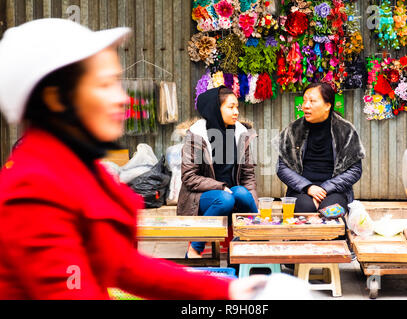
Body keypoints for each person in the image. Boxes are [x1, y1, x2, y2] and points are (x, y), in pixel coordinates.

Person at [0, 18, 267, 300]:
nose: (123, 99)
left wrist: (234, 291)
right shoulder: (34, 190)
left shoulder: (81, 170)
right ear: (56, 99)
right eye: (104, 84)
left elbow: (125, 266)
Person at [177, 86, 258, 258]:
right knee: (224, 199)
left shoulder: (241, 134)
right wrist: (220, 187)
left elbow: (248, 175)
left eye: (237, 107)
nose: (236, 112)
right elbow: (189, 177)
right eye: (230, 107)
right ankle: (195, 248)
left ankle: (252, 243)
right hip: (201, 197)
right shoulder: (197, 136)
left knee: (243, 193)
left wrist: (254, 205)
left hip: (232, 193)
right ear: (216, 109)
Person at [277, 82, 365, 214]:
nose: (306, 105)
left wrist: (325, 188)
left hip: (335, 190)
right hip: (301, 190)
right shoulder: (293, 130)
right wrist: (308, 187)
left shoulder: (345, 130)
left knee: (331, 213)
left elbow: (355, 170)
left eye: (312, 101)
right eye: (305, 100)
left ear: (327, 105)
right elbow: (282, 167)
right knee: (304, 210)